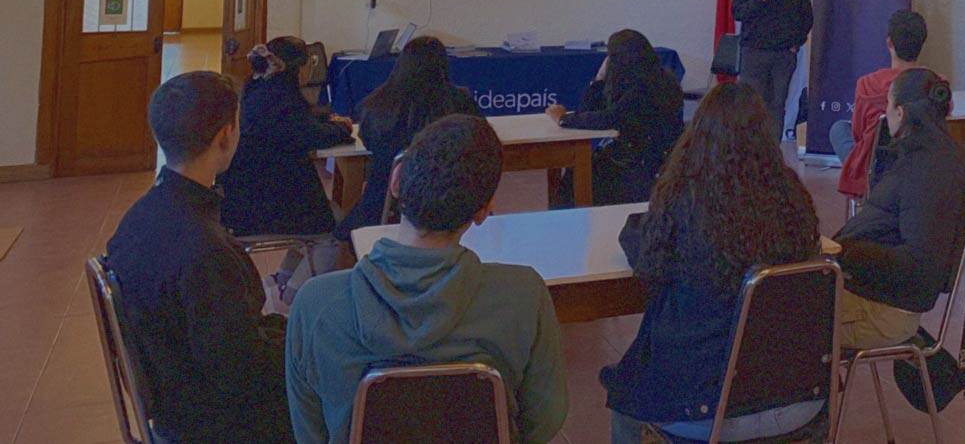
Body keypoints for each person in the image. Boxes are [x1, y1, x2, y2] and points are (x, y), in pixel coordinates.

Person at [286, 115, 568, 444]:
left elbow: (309, 433)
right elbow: (546, 418)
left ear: (396, 180)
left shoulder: (315, 304)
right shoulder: (523, 295)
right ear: (484, 210)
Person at [604, 83, 823, 443]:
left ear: (699, 134)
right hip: (799, 398)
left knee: (626, 397)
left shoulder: (682, 201)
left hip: (706, 408)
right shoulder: (793, 201)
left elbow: (650, 265)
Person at [106, 71, 294, 444]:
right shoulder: (206, 251)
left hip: (171, 396)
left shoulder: (138, 216)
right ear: (227, 135)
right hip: (212, 422)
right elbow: (240, 371)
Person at [832, 69, 965, 349]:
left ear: (900, 112)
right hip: (874, 293)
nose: (885, 113)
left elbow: (917, 264)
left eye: (887, 105)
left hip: (882, 311)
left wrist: (844, 253)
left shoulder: (928, 172)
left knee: (766, 315)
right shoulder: (925, 158)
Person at [219, 36, 354, 297]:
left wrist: (327, 117)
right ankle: (296, 294)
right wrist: (341, 126)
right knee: (336, 228)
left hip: (248, 196)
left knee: (326, 214)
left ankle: (285, 279)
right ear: (297, 68)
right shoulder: (281, 103)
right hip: (263, 208)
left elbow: (304, 120)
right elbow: (314, 134)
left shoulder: (259, 90)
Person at [335, 35, 479, 241]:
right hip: (447, 204)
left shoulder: (378, 103)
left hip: (383, 207)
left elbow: (367, 139)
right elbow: (478, 137)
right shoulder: (460, 103)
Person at [547, 29, 685, 205]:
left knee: (579, 172)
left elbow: (608, 118)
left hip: (640, 167)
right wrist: (599, 80)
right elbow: (588, 109)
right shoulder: (658, 79)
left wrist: (563, 119)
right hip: (649, 160)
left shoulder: (642, 91)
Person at [833, 9, 927, 196]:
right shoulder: (935, 84)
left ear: (889, 43)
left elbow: (858, 133)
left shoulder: (867, 85)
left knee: (838, 129)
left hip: (876, 170)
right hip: (922, 165)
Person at [731, 0, 813, 138]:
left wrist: (795, 44)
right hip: (753, 53)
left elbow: (806, 17)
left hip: (783, 55)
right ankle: (748, 153)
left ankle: (771, 153)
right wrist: (760, 0)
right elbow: (738, 12)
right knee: (750, 106)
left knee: (777, 106)